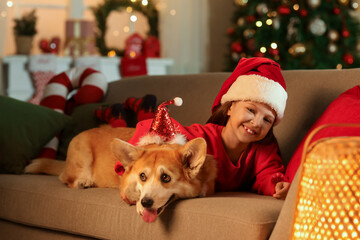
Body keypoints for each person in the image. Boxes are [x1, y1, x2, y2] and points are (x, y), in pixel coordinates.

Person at [128, 57, 290, 199]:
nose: (256, 122)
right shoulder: (203, 138)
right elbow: (155, 129)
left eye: (267, 120)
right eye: (251, 110)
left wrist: (276, 186)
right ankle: (133, 111)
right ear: (229, 108)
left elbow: (268, 174)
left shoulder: (263, 149)